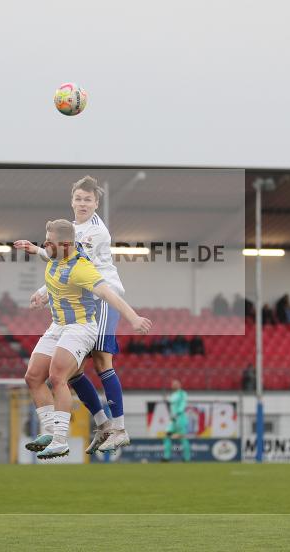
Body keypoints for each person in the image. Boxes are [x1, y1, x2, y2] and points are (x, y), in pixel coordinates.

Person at [16, 175, 136, 455]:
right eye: (78, 198)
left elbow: (73, 263)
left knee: (103, 361)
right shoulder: (69, 228)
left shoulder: (96, 232)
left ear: (96, 203)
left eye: (88, 199)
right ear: (72, 200)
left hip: (103, 296)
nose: (83, 203)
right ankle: (102, 423)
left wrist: (43, 286)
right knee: (72, 371)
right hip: (82, 300)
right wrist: (44, 288)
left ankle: (118, 428)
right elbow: (63, 262)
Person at [163, 379, 191, 463]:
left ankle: (186, 458)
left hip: (180, 419)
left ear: (179, 385)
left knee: (182, 438)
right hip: (173, 420)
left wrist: (178, 413)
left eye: (175, 384)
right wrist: (167, 400)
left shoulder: (182, 393)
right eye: (172, 384)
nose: (173, 385)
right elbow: (172, 405)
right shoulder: (173, 395)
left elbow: (183, 404)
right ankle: (166, 457)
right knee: (167, 436)